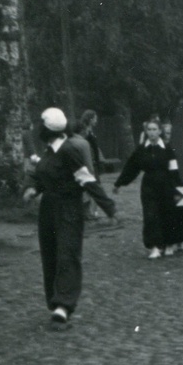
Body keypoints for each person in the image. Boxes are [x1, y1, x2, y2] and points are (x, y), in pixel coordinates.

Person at [23, 107, 117, 324]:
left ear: (46, 130)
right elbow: (39, 175)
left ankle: (64, 304)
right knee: (50, 255)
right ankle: (55, 302)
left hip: (69, 209)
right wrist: (32, 189)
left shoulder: (69, 151)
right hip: (48, 209)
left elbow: (87, 180)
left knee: (68, 254)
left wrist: (109, 208)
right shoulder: (49, 152)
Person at [113, 120, 183, 259]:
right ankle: (155, 247)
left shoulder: (168, 149)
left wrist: (178, 188)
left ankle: (169, 244)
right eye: (149, 129)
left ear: (159, 131)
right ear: (146, 132)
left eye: (154, 129)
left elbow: (174, 170)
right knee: (150, 216)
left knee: (167, 214)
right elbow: (131, 168)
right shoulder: (141, 150)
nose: (152, 132)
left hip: (167, 185)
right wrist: (119, 183)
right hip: (149, 186)